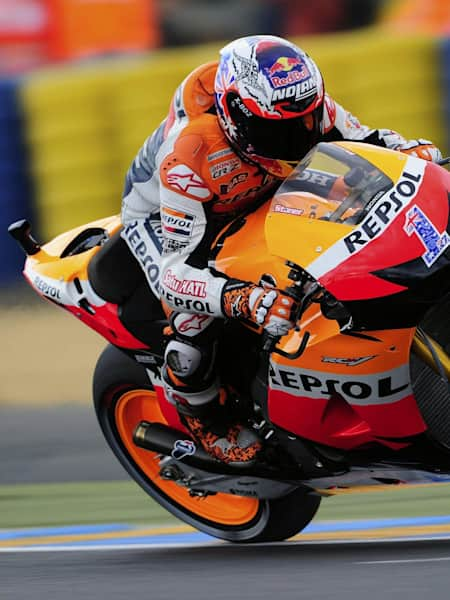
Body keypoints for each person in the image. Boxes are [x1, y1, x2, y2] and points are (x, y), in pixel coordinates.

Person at [120, 35, 442, 467]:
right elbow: (178, 273)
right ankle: (203, 415)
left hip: (263, 190)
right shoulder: (189, 155)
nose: (296, 139)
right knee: (190, 319)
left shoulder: (303, 105)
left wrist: (414, 153)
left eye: (304, 124)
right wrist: (244, 299)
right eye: (277, 130)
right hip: (168, 219)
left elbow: (370, 143)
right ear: (237, 114)